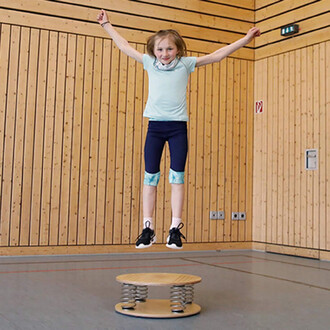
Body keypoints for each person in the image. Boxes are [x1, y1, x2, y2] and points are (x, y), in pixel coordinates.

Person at [97, 9, 260, 249]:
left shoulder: (186, 64)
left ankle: (174, 228)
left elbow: (217, 55)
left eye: (169, 49)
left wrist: (245, 40)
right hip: (154, 128)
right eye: (160, 49)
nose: (164, 54)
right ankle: (148, 228)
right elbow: (125, 47)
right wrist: (107, 26)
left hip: (177, 129)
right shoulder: (149, 63)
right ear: (154, 50)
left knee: (177, 179)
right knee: (150, 178)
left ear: (178, 50)